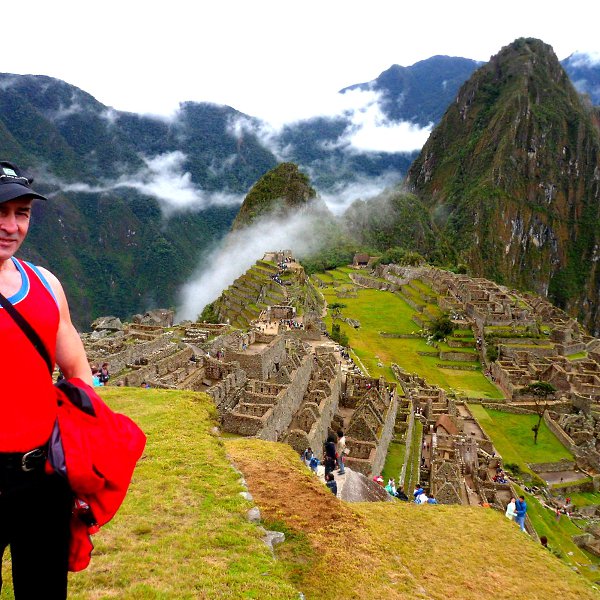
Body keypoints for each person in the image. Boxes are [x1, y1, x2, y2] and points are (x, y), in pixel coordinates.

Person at [0, 161, 93, 598]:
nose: (11, 226)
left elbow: (77, 371)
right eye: (1, 212)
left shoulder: (46, 285)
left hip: (40, 477)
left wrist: (81, 446)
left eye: (22, 213)